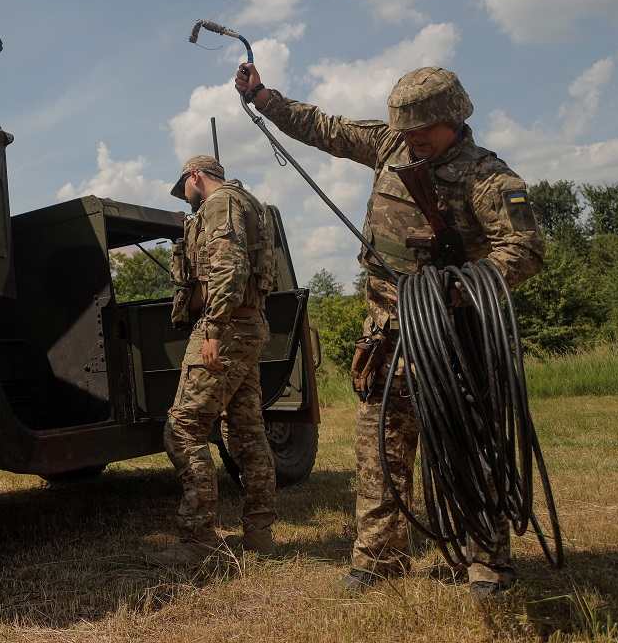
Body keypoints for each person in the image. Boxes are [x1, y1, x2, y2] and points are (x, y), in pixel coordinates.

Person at [233, 63, 544, 597]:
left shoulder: (487, 176)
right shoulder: (389, 148)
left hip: (456, 339)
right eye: (405, 128)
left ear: (453, 119)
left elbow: (526, 248)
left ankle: (484, 561)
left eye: (422, 129)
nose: (412, 139)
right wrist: (263, 96)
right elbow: (324, 128)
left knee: (469, 447)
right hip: (388, 335)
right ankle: (379, 557)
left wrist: (464, 285)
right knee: (379, 448)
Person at [148, 154, 278, 566]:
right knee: (245, 430)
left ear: (195, 177)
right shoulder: (251, 202)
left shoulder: (219, 204)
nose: (185, 195)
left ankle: (198, 539)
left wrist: (213, 328)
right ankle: (259, 533)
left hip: (227, 326)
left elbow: (230, 267)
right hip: (250, 324)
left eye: (184, 186)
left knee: (184, 427)